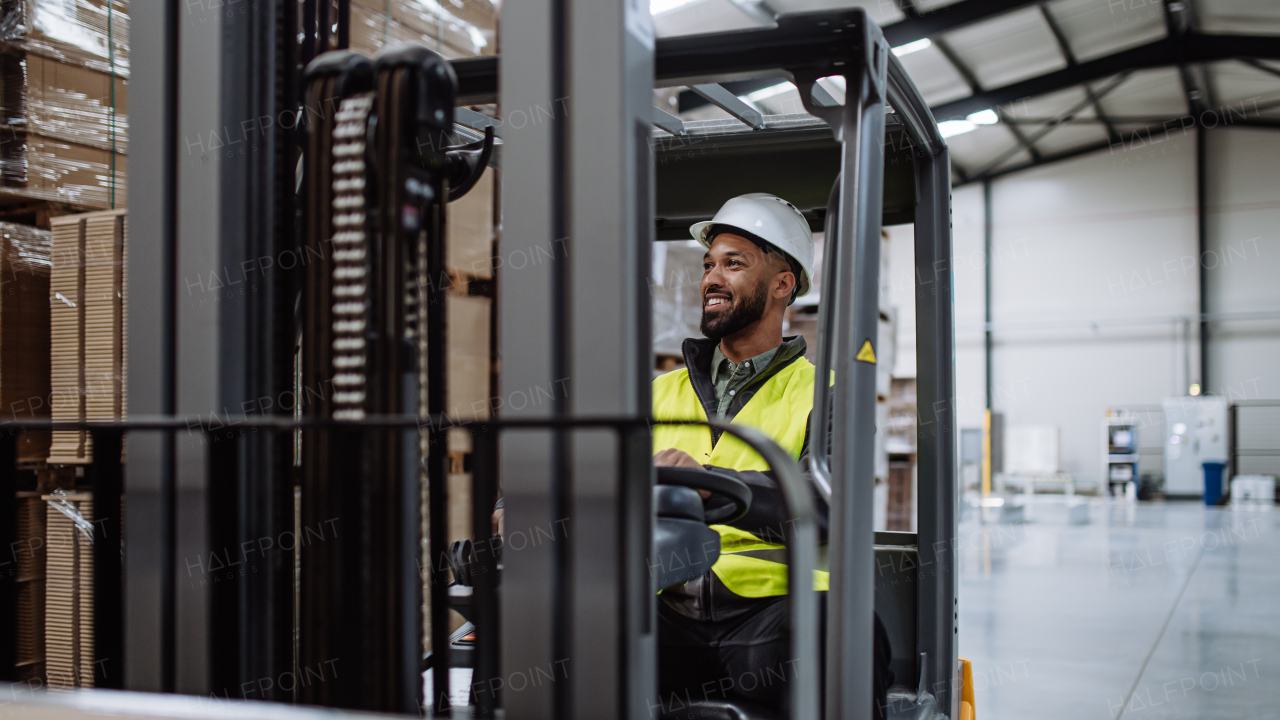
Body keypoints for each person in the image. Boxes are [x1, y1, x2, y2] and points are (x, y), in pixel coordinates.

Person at [651, 193, 892, 719]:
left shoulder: (826, 393)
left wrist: (714, 483)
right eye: (708, 264)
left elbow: (829, 504)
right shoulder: (659, 392)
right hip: (667, 615)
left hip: (770, 621)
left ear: (784, 284)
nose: (712, 278)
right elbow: (587, 468)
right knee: (552, 624)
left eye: (733, 264)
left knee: (844, 629)